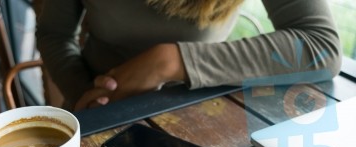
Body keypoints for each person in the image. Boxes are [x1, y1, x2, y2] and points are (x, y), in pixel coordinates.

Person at [36, 0, 341, 111]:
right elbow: (54, 33)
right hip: (99, 111)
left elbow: (320, 46)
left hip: (201, 114)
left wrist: (169, 62)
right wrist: (85, 95)